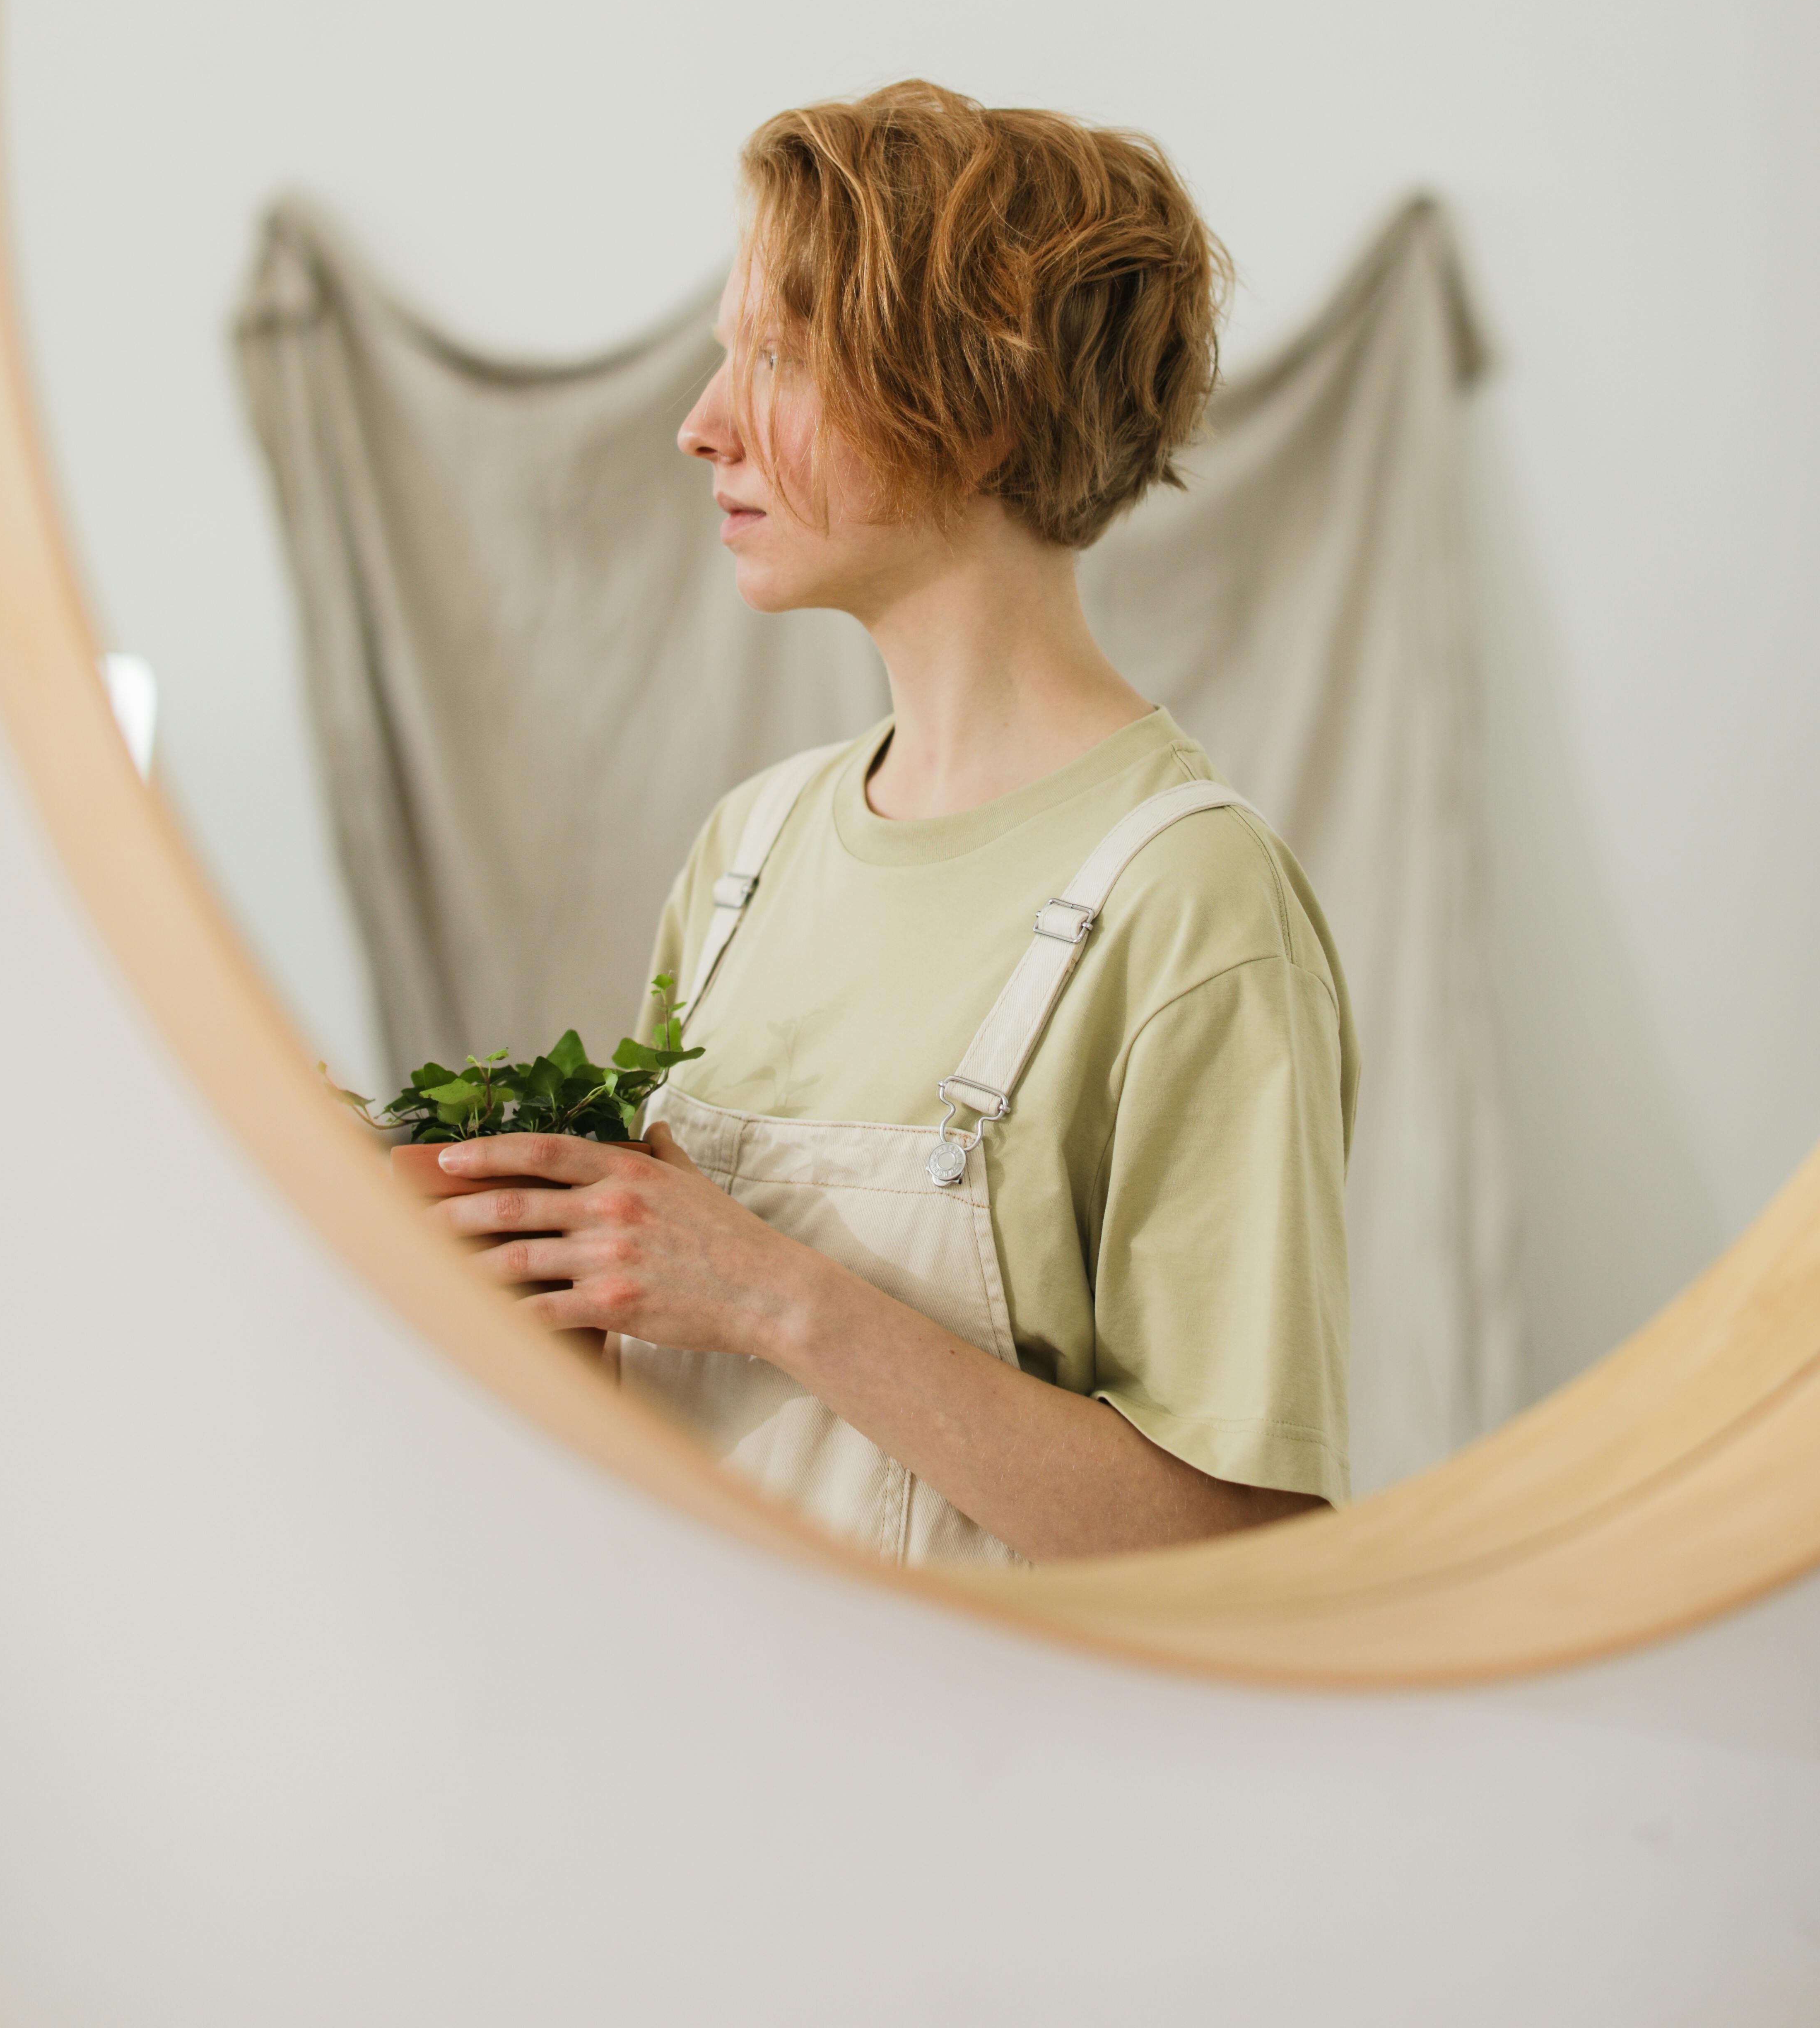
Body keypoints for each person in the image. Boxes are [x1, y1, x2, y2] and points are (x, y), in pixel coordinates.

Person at [434, 81, 1357, 1566]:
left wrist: (770, 1295)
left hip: (999, 1784)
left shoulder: (1194, 904)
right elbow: (668, 1408)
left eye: (780, 356)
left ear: (980, 409)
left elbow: (1240, 1561)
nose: (700, 425)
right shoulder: (748, 852)